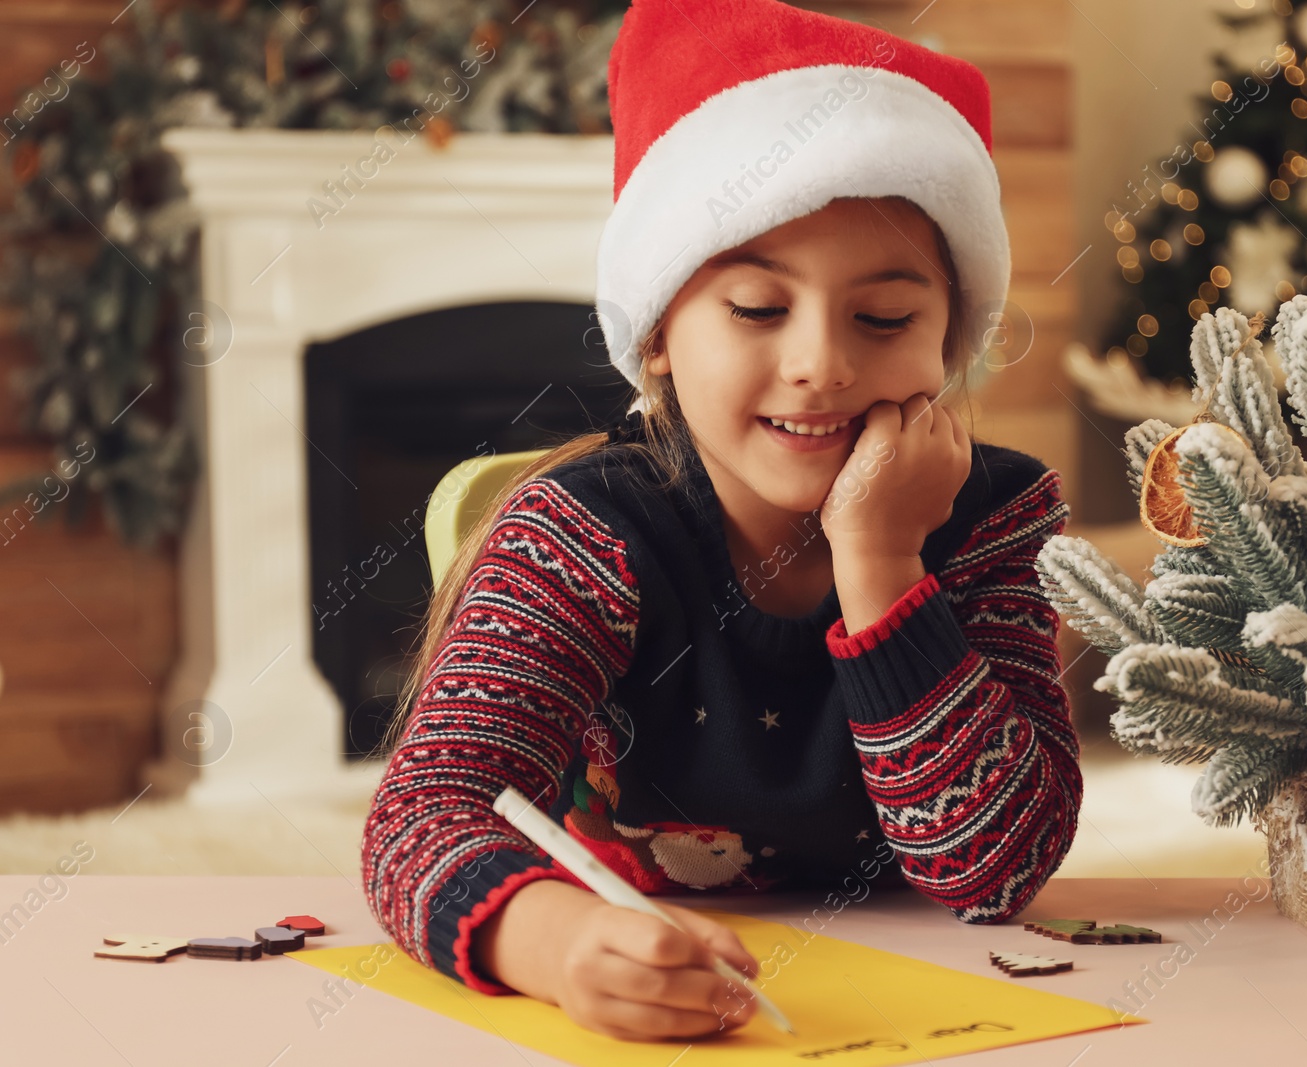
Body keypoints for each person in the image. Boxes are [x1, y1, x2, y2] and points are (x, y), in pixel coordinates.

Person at [361, 0, 1083, 1043]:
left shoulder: (994, 516)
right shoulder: (583, 533)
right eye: (755, 308)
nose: (821, 365)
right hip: (645, 979)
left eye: (884, 318)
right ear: (658, 335)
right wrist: (559, 944)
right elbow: (418, 818)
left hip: (926, 998)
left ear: (945, 345)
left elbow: (998, 866)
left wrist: (879, 555)